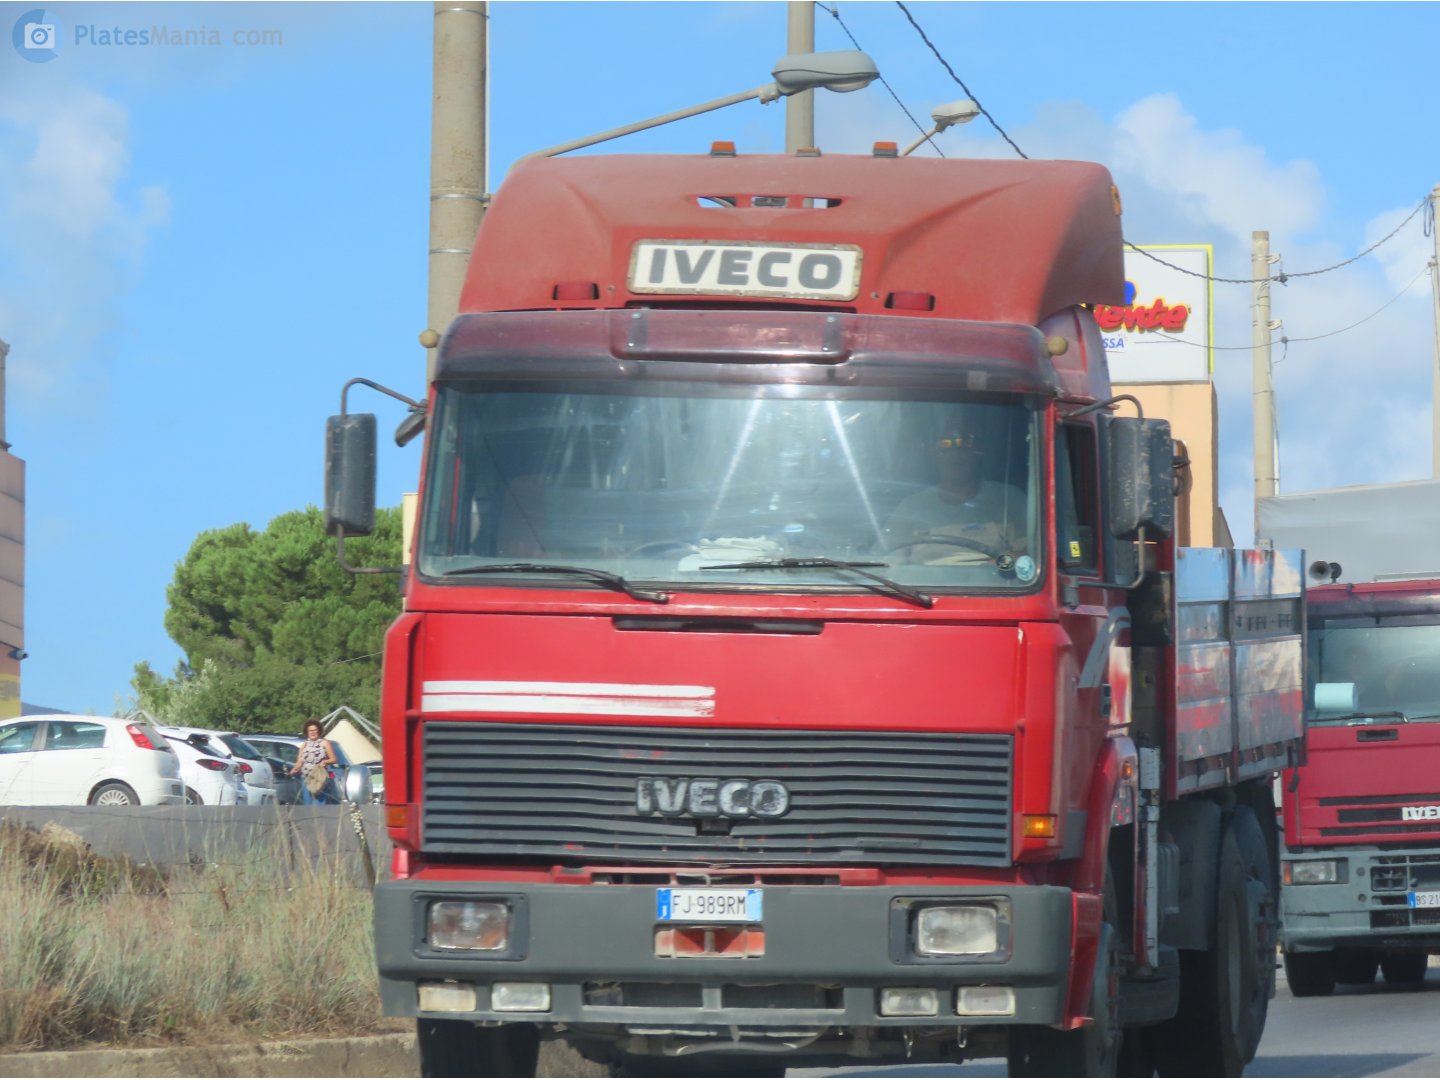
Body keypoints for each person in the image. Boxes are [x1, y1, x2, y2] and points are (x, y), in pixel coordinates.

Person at [883, 430, 1025, 561]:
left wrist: (1000, 565)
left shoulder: (1009, 499)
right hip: (920, 586)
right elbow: (888, 561)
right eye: (945, 446)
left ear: (977, 454)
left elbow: (1030, 556)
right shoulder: (911, 506)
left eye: (964, 445)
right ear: (935, 456)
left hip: (991, 585)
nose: (955, 454)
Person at [290, 719, 339, 805]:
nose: (313, 732)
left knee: (318, 806)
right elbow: (300, 762)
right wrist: (295, 769)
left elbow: (334, 759)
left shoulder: (324, 743)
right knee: (308, 807)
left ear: (319, 731)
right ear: (307, 732)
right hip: (306, 778)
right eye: (310, 730)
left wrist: (325, 762)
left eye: (315, 730)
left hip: (319, 778)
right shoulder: (304, 745)